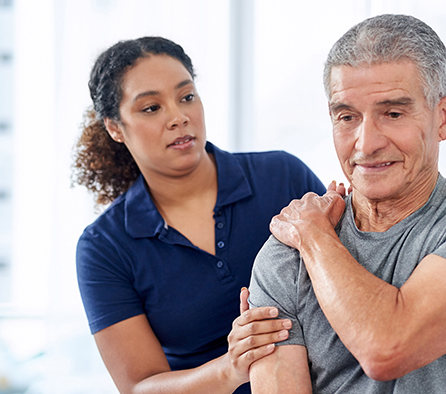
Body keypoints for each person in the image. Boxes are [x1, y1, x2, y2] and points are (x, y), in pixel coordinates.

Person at [247, 14, 446, 393]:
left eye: (393, 113)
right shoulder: (284, 255)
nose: (366, 144)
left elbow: (387, 349)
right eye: (347, 116)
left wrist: (315, 237)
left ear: (444, 118)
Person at [73, 36, 326, 394]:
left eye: (186, 97)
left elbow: (350, 274)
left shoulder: (282, 176)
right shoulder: (104, 247)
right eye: (151, 108)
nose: (178, 117)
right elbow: (139, 388)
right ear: (115, 128)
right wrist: (231, 367)